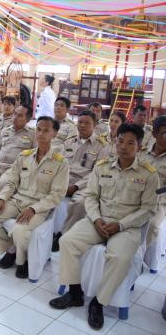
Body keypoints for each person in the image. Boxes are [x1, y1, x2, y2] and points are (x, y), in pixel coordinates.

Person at [49, 124, 159, 331]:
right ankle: (74, 293)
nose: (124, 146)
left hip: (126, 227)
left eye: (130, 143)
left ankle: (99, 303)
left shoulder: (149, 174)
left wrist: (121, 224)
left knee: (118, 258)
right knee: (67, 241)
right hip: (98, 221)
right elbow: (91, 197)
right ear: (115, 141)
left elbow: (148, 210)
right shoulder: (102, 166)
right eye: (120, 141)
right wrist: (97, 219)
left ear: (140, 146)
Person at [0, 117, 69, 278]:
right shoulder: (24, 156)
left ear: (54, 134)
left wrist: (34, 209)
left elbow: (57, 195)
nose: (41, 133)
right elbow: (11, 182)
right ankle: (11, 249)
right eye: (38, 129)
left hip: (38, 207)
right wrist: (1, 199)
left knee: (19, 230)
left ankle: (22, 262)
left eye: (46, 130)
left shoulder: (61, 163)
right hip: (17, 200)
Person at [51, 110, 109, 251]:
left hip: (85, 184)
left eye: (86, 123)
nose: (82, 125)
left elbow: (96, 172)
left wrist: (76, 187)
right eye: (80, 122)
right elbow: (60, 164)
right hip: (64, 180)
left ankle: (63, 234)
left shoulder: (102, 146)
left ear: (94, 125)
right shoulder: (69, 141)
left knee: (80, 203)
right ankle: (43, 228)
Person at [0, 105, 35, 212]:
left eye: (20, 115)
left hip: (13, 168)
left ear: (28, 119)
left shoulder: (32, 134)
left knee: (3, 184)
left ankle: (0, 213)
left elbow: (34, 154)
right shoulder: (6, 130)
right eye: (15, 114)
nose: (15, 117)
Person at [139, 116, 166, 248]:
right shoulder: (141, 153)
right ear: (154, 134)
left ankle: (141, 259)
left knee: (152, 225)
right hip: (135, 194)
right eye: (164, 133)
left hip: (159, 200)